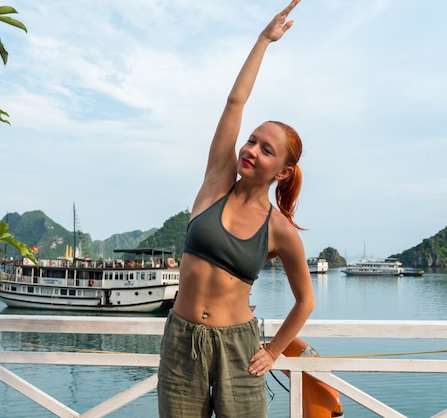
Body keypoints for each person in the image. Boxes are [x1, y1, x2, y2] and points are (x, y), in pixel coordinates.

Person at [157, 1, 314, 417]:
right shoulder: (215, 185)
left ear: (283, 172)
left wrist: (275, 350)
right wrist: (264, 40)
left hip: (239, 346)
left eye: (266, 150)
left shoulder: (279, 230)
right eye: (251, 141)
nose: (250, 150)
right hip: (181, 340)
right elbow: (234, 102)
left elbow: (305, 300)